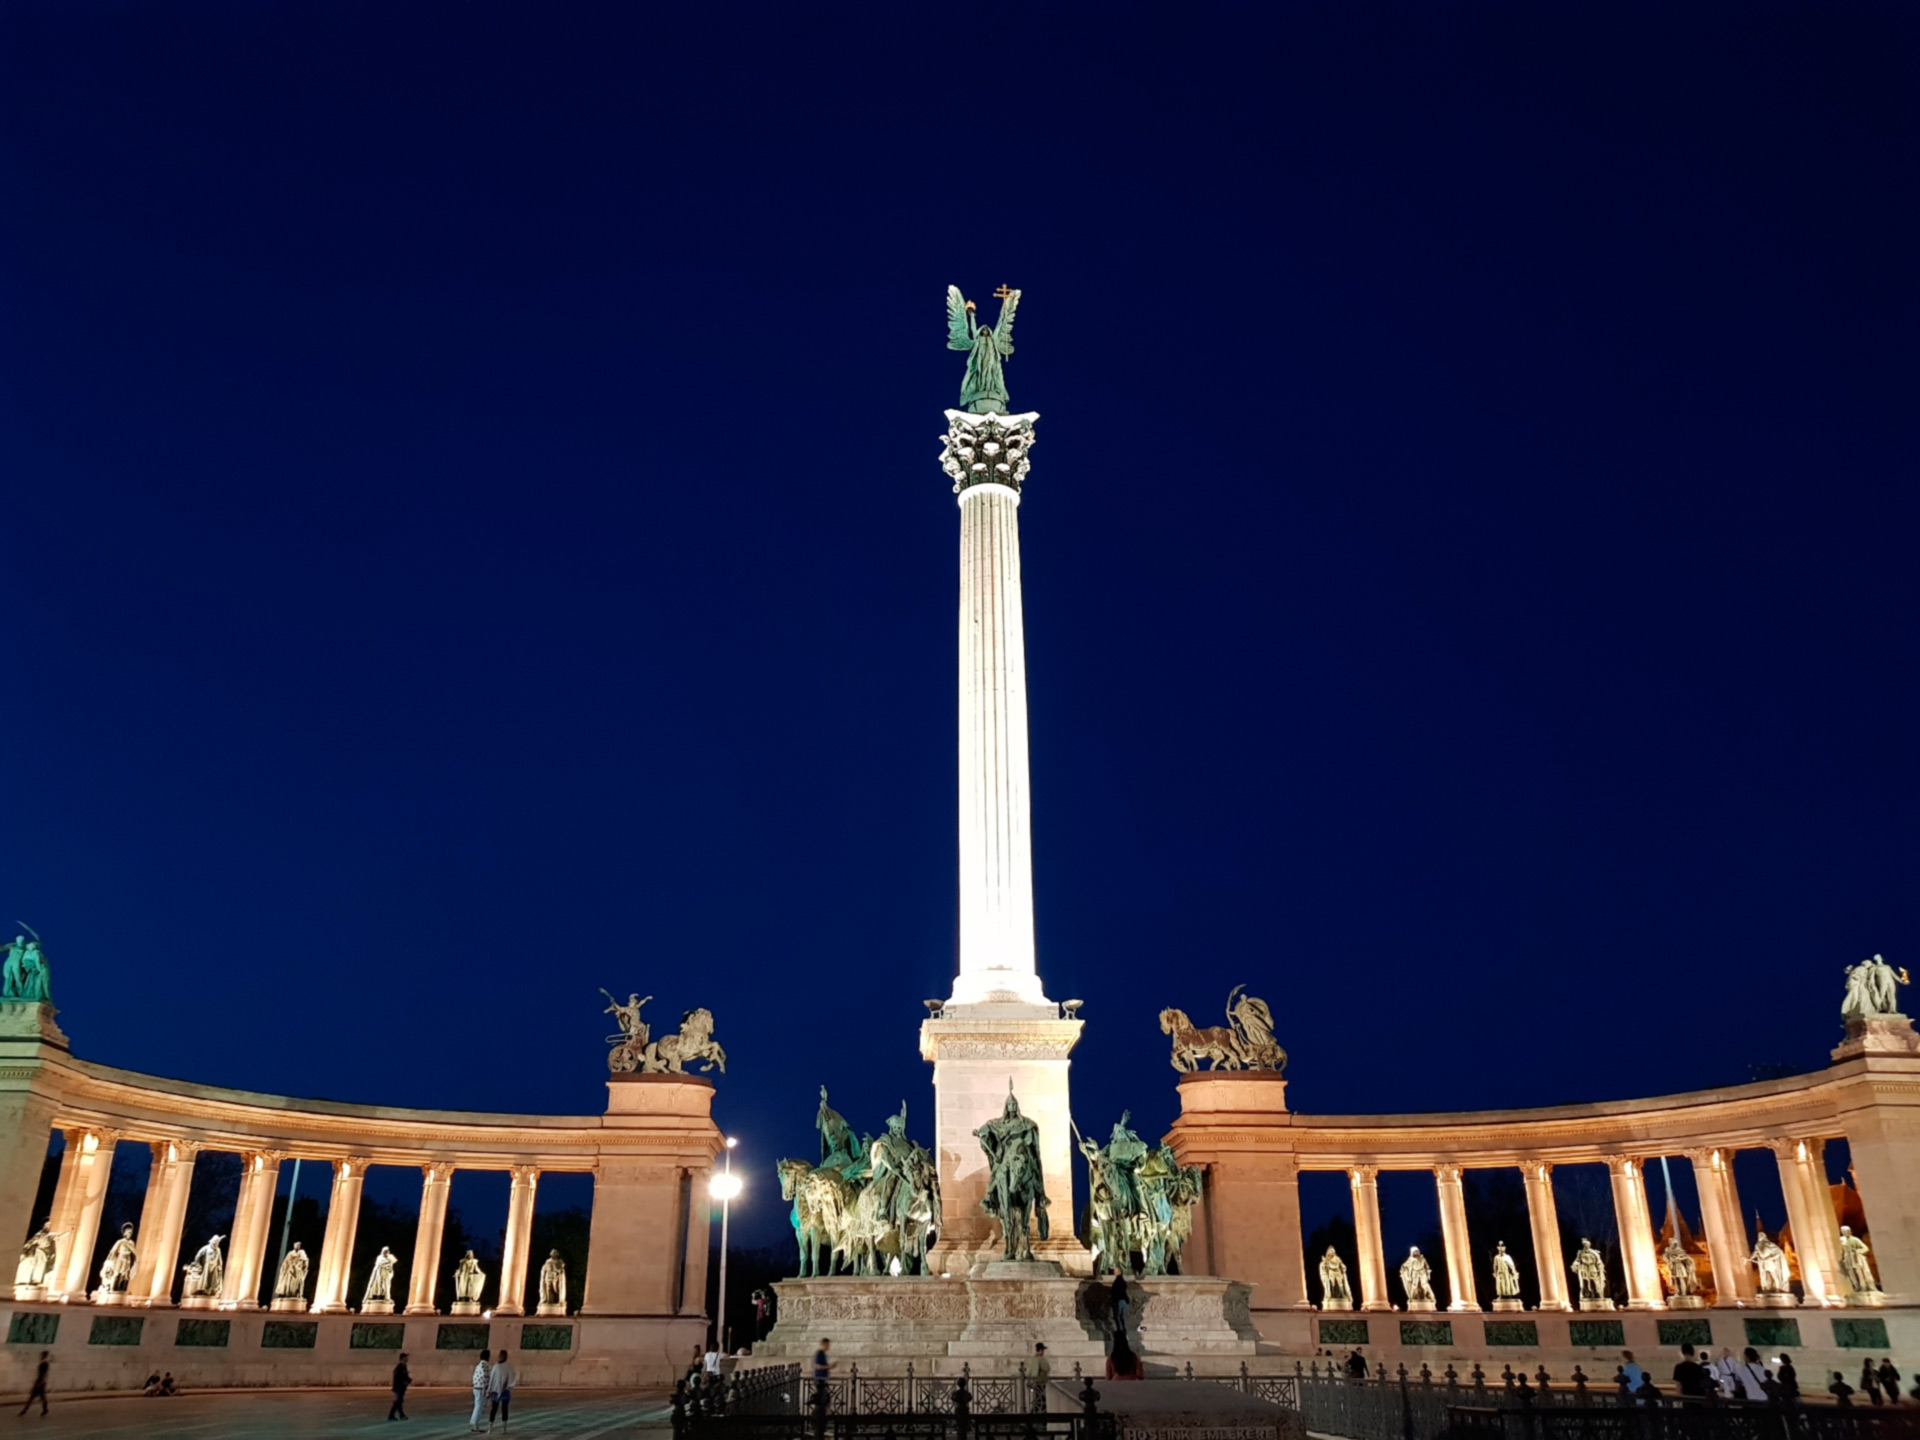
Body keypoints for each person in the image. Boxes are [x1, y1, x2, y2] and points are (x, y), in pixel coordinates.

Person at [487, 1348, 515, 1430]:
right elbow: (511, 1379)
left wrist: (489, 1391)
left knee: (494, 1409)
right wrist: (509, 1386)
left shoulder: (496, 1366)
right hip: (505, 1391)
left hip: (495, 1390)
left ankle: (490, 1428)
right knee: (504, 1409)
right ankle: (504, 1428)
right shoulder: (509, 1366)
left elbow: (491, 1379)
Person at [18, 1351, 49, 1416]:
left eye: (42, 1355)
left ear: (44, 1356)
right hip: (40, 1382)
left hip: (40, 1382)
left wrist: (40, 1383)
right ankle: (45, 1409)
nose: (40, 1356)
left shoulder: (45, 1364)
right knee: (41, 1397)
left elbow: (43, 1374)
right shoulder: (44, 1363)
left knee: (33, 1397)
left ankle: (24, 1411)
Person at [469, 1350, 492, 1433]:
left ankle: (474, 1422)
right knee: (479, 1407)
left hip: (476, 1387)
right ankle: (474, 1424)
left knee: (477, 1406)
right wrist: (488, 1390)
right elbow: (486, 1378)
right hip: (481, 1388)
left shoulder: (479, 1365)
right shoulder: (485, 1366)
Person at [389, 1352, 411, 1420]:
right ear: (402, 1358)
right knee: (398, 1401)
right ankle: (400, 1415)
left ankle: (393, 1415)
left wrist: (408, 1380)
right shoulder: (399, 1367)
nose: (407, 1358)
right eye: (406, 1357)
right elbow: (397, 1376)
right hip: (399, 1387)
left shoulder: (404, 1366)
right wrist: (404, 1381)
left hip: (401, 1387)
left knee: (398, 1401)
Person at [1032, 1342, 1051, 1412]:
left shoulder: (1034, 1359)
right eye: (1043, 1350)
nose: (1043, 1352)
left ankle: (1035, 1415)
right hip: (1040, 1382)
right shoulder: (1040, 1359)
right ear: (1040, 1350)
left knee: (1039, 1399)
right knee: (1041, 1399)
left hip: (1037, 1382)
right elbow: (1046, 1368)